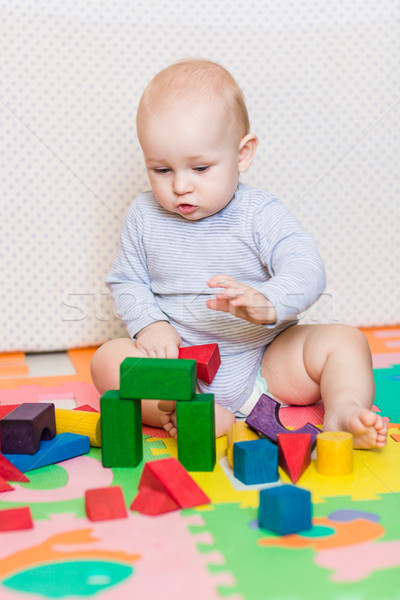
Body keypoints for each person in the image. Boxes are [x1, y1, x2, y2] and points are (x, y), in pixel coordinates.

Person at [91, 58, 387, 449]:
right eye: (161, 170)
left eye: (199, 167)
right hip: (179, 365)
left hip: (267, 362)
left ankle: (343, 409)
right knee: (108, 361)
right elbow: (126, 281)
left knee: (345, 341)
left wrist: (269, 303)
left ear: (242, 154)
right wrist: (149, 326)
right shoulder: (144, 215)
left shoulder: (259, 213)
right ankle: (189, 408)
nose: (181, 185)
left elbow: (306, 266)